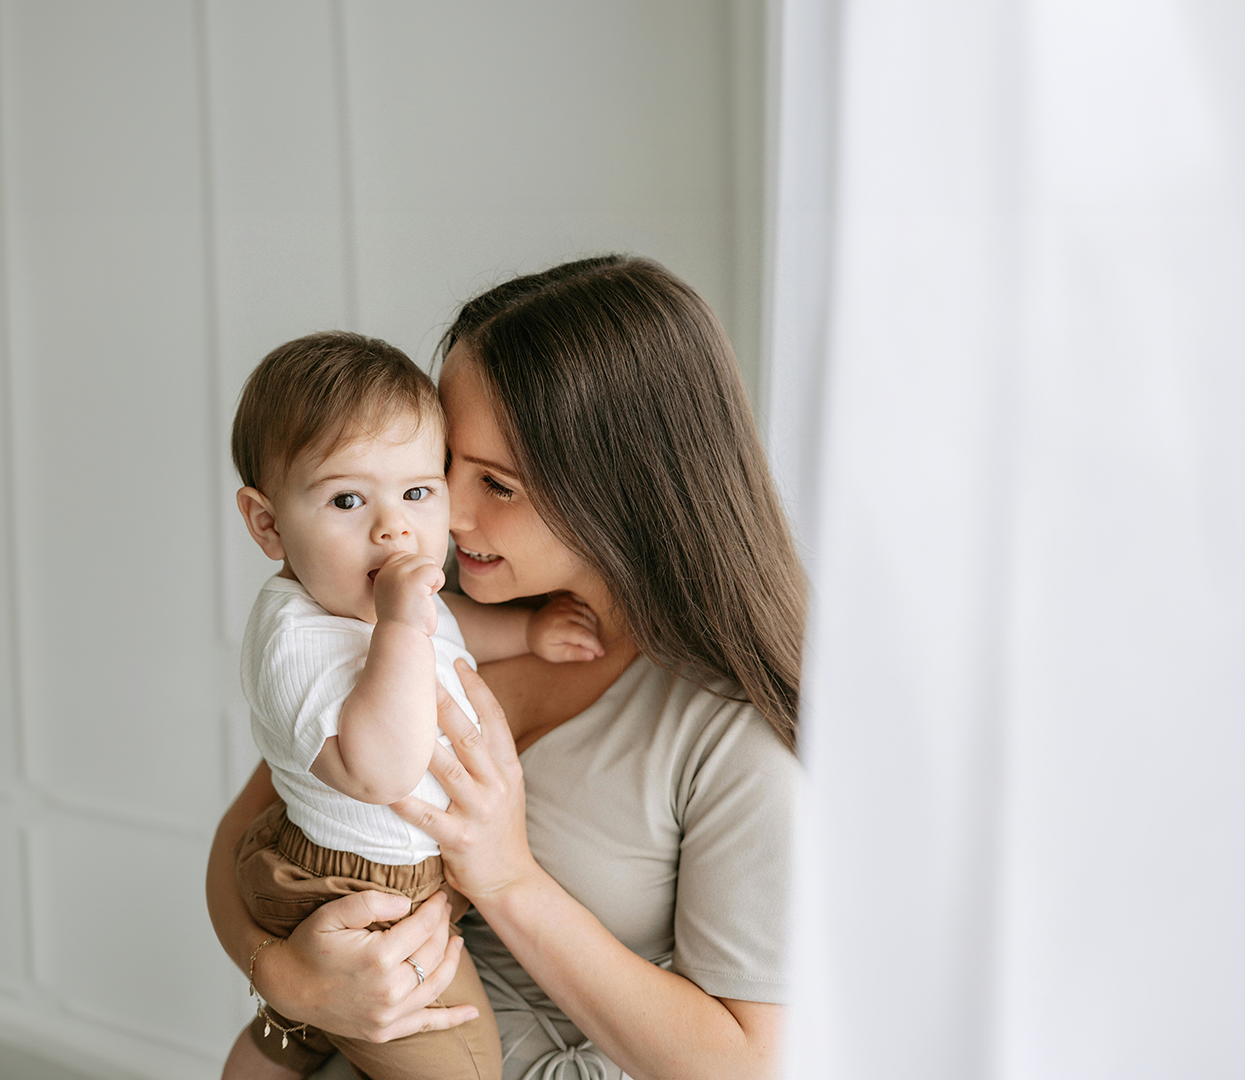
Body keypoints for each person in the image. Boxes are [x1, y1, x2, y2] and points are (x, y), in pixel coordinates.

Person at [206, 257, 804, 1080]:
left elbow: (742, 1067)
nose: (444, 513)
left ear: (616, 492)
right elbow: (247, 838)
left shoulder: (732, 735)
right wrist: (285, 982)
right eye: (447, 463)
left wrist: (507, 878)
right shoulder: (409, 613)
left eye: (496, 483)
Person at [223, 331, 602, 1080]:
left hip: (394, 877)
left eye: (418, 493)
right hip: (354, 891)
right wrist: (401, 624)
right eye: (347, 499)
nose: (392, 527)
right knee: (464, 1066)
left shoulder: (377, 600)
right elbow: (382, 770)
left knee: (299, 1037)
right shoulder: (298, 638)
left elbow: (453, 632)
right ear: (268, 525)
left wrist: (527, 633)